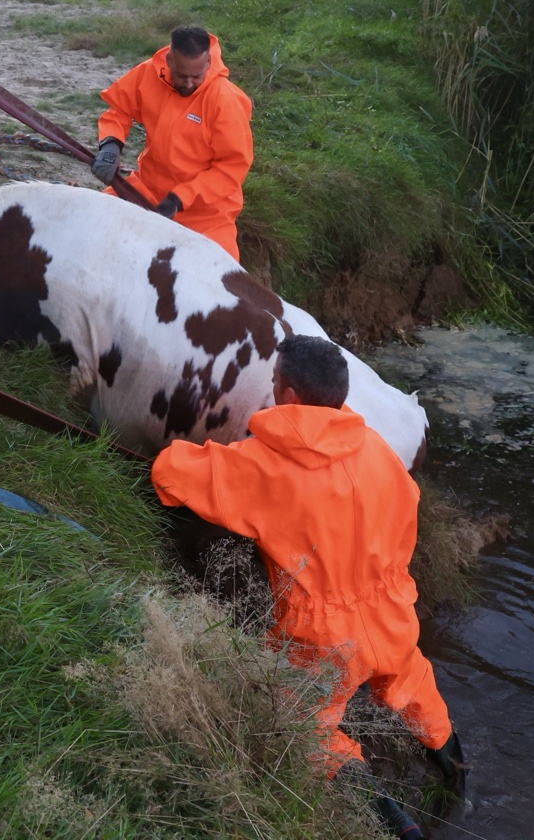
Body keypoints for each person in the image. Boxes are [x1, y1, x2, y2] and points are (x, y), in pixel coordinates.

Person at [151, 335, 468, 837]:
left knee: (306, 728)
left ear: (291, 396)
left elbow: (172, 476)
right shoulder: (378, 452)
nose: (271, 390)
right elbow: (407, 503)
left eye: (274, 382)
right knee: (413, 686)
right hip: (391, 613)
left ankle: (396, 825)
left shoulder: (264, 463)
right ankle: (457, 780)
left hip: (322, 639)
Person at [91, 23, 253, 260]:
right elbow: (118, 110)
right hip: (146, 192)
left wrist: (180, 198)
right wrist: (110, 146)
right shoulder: (148, 73)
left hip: (206, 214)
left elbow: (231, 168)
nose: (188, 84)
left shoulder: (224, 100)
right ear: (168, 59)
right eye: (181, 75)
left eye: (196, 76)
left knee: (217, 282)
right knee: (94, 231)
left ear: (208, 63)